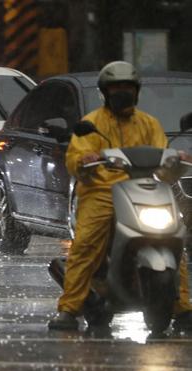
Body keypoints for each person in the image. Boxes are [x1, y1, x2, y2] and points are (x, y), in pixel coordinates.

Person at [48, 61, 192, 330]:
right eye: (116, 88)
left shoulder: (149, 124)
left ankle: (182, 306)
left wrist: (177, 159)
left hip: (143, 187)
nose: (122, 92)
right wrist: (85, 158)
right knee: (86, 245)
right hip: (101, 191)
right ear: (105, 92)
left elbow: (163, 157)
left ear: (136, 91)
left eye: (127, 87)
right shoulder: (91, 124)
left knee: (174, 239)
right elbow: (76, 158)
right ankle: (69, 309)